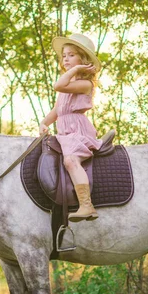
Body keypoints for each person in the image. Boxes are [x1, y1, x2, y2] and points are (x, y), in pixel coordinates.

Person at [40, 33, 102, 222]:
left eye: (71, 55)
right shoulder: (71, 83)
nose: (65, 58)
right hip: (64, 131)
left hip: (77, 130)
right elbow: (58, 109)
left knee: (70, 160)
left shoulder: (84, 84)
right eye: (64, 55)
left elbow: (58, 85)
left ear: (83, 59)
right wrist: (44, 123)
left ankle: (86, 205)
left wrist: (76, 70)